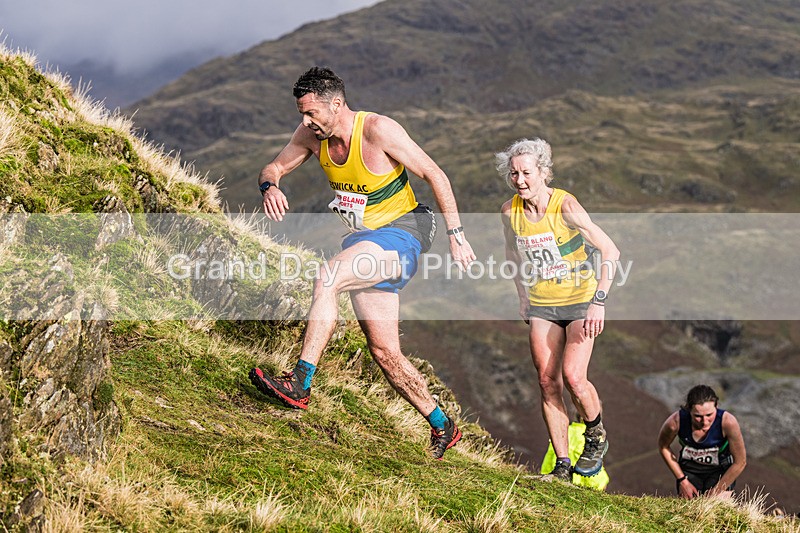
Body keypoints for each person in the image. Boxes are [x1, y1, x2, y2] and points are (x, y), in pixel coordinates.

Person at [249, 66, 476, 459]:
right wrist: (270, 186)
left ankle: (301, 383)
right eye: (301, 114)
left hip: (404, 232)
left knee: (329, 277)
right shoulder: (310, 136)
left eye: (311, 113)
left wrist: (457, 235)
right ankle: (443, 425)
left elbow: (435, 174)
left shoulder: (378, 130)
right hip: (365, 239)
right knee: (384, 352)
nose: (305, 122)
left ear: (335, 105)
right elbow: (273, 167)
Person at [498, 138, 620, 481]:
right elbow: (511, 254)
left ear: (543, 173)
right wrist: (522, 296)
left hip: (581, 299)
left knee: (574, 377)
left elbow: (611, 251)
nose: (520, 180)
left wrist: (599, 301)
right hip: (542, 303)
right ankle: (563, 467)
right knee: (546, 381)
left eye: (526, 173)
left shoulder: (565, 206)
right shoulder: (510, 212)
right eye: (513, 174)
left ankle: (595, 434)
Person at [657, 384, 747, 499]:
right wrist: (682, 481)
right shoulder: (675, 422)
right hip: (690, 470)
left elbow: (740, 462)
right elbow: (663, 447)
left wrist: (716, 490)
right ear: (689, 410)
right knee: (689, 509)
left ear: (717, 406)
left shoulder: (728, 422)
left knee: (717, 507)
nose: (705, 422)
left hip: (720, 470)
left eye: (709, 415)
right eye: (698, 416)